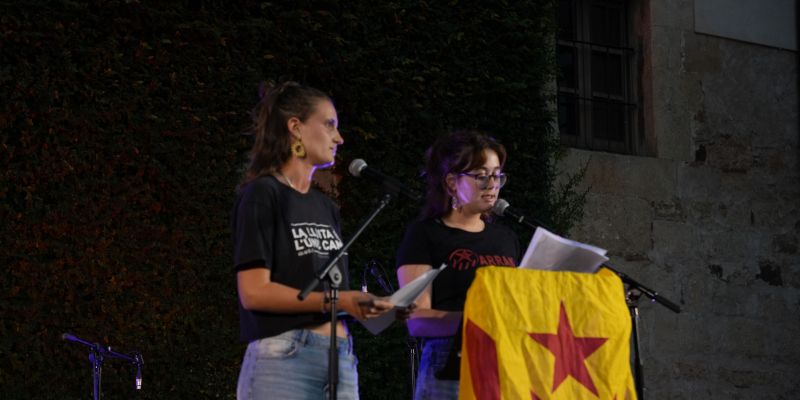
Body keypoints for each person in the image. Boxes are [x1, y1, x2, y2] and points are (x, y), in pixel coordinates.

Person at [232, 81, 396, 400]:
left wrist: (367, 307)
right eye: (330, 124)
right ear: (295, 127)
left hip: (340, 357)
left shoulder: (325, 207)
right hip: (285, 356)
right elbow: (253, 292)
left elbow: (330, 290)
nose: (339, 138)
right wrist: (340, 301)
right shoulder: (263, 195)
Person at [396, 130, 521, 400]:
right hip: (449, 363)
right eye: (481, 176)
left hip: (504, 363)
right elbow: (417, 321)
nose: (492, 184)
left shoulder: (506, 238)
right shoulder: (425, 234)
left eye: (497, 174)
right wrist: (476, 322)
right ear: (452, 182)